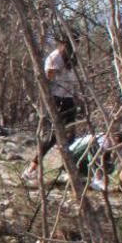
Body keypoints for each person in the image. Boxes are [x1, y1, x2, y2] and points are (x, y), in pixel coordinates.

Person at [23, 33, 81, 182]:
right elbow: (47, 80)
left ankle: (66, 170)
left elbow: (73, 82)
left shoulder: (72, 60)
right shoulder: (55, 58)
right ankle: (31, 169)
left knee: (70, 137)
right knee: (52, 138)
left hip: (69, 100)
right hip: (57, 101)